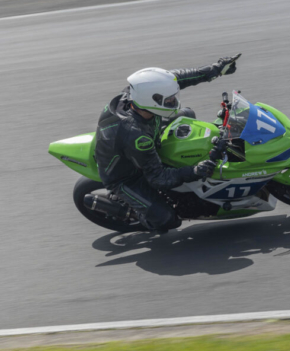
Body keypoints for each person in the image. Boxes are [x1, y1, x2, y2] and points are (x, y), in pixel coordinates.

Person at [94, 54, 240, 233]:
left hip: (145, 135)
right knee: (166, 221)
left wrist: (216, 69)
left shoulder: (137, 94)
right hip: (125, 177)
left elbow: (177, 78)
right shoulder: (136, 136)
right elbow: (158, 178)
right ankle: (133, 213)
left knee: (186, 114)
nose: (173, 101)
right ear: (150, 100)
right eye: (169, 100)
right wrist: (194, 171)